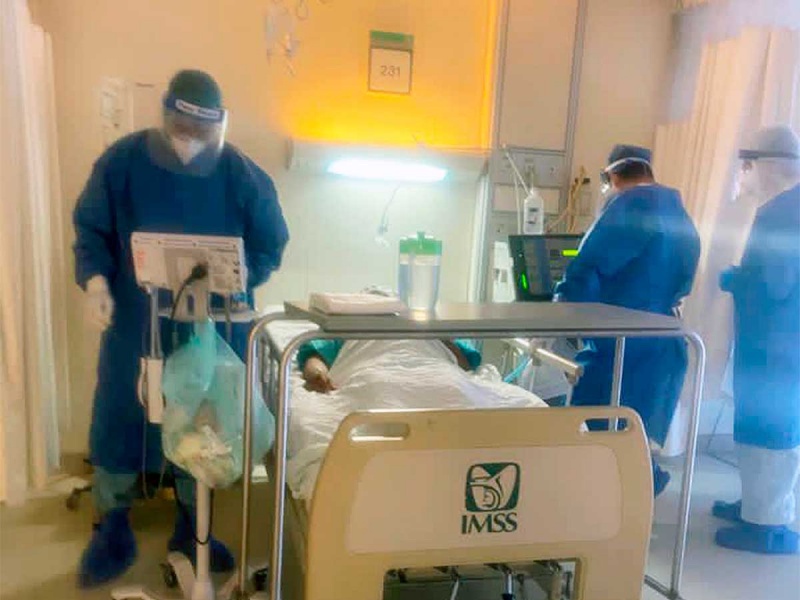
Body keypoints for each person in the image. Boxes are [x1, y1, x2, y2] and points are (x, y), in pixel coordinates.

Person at [73, 69, 289, 587]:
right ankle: (113, 529)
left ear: (218, 125)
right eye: (181, 127)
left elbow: (270, 242)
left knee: (204, 423)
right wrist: (97, 283)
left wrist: (242, 278)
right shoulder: (123, 162)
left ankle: (194, 528)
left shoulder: (241, 174)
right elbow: (92, 228)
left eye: (201, 131)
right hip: (136, 320)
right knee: (122, 417)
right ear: (165, 114)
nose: (189, 140)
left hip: (211, 326)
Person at [555, 144, 701, 497]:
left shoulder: (630, 205)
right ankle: (641, 482)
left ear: (611, 176)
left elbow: (587, 267)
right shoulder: (678, 212)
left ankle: (598, 498)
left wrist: (561, 312)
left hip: (621, 341)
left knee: (594, 421)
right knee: (635, 429)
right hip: (664, 339)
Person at [713, 125, 800, 555]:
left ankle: (767, 527)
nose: (744, 174)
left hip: (776, 345)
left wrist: (734, 278)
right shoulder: (785, 207)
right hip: (778, 342)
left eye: (748, 165)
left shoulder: (783, 212)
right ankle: (755, 506)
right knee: (757, 425)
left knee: (770, 431)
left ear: (768, 165)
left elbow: (774, 285)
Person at [298, 338, 482, 393]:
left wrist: (437, 333)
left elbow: (465, 366)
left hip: (432, 367)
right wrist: (317, 375)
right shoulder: (350, 330)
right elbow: (314, 359)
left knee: (451, 384)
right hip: (375, 366)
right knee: (378, 385)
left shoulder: (434, 332)